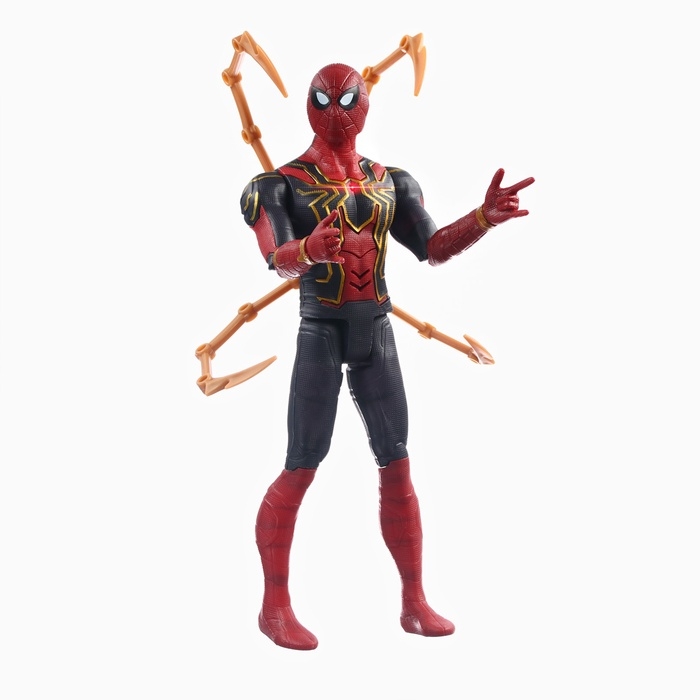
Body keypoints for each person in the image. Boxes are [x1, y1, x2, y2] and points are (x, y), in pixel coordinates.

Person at [240, 62, 534, 650]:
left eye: (347, 100)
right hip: (321, 330)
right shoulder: (279, 185)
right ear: (307, 105)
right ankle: (274, 607)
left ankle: (413, 601)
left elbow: (432, 247)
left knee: (396, 463)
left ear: (366, 103)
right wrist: (308, 248)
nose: (336, 112)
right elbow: (275, 257)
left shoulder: (390, 181)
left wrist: (482, 218)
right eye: (323, 100)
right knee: (301, 463)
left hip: (374, 330)